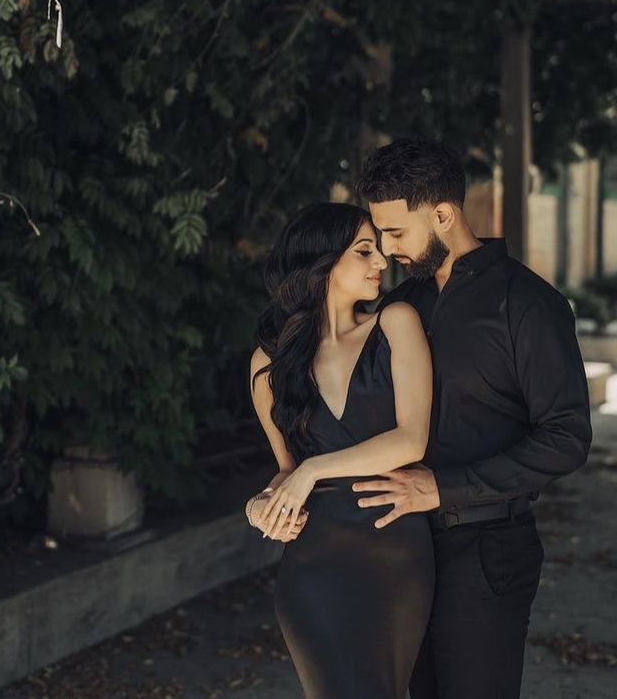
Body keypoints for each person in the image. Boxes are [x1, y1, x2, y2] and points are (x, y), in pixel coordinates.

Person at [352, 138, 593, 699]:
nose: (386, 252)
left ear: (443, 214)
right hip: (403, 548)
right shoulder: (399, 307)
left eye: (395, 233)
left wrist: (444, 487)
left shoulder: (528, 304)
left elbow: (567, 437)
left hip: (488, 552)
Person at [245, 202, 435, 699]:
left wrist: (314, 470)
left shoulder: (396, 322)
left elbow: (411, 439)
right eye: (364, 251)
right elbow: (284, 471)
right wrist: (259, 504)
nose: (381, 263)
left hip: (396, 555)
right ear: (323, 261)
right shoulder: (268, 364)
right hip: (313, 566)